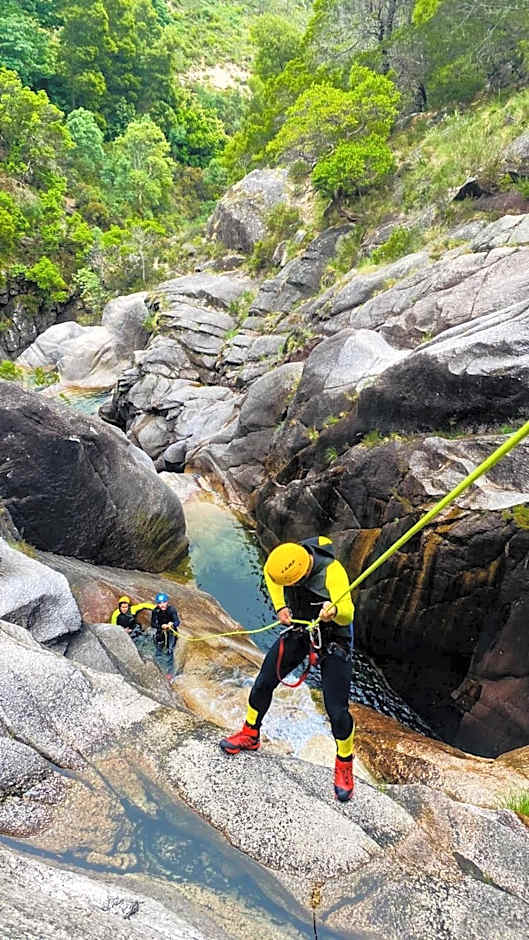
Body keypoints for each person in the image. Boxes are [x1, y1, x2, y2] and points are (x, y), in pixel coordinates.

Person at [219, 537, 356, 802]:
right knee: (263, 683)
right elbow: (271, 576)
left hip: (333, 637)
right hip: (302, 628)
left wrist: (335, 610)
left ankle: (344, 763)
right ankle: (250, 733)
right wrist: (280, 605)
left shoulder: (332, 571)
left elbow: (348, 613)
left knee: (337, 711)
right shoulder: (283, 559)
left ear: (302, 574)